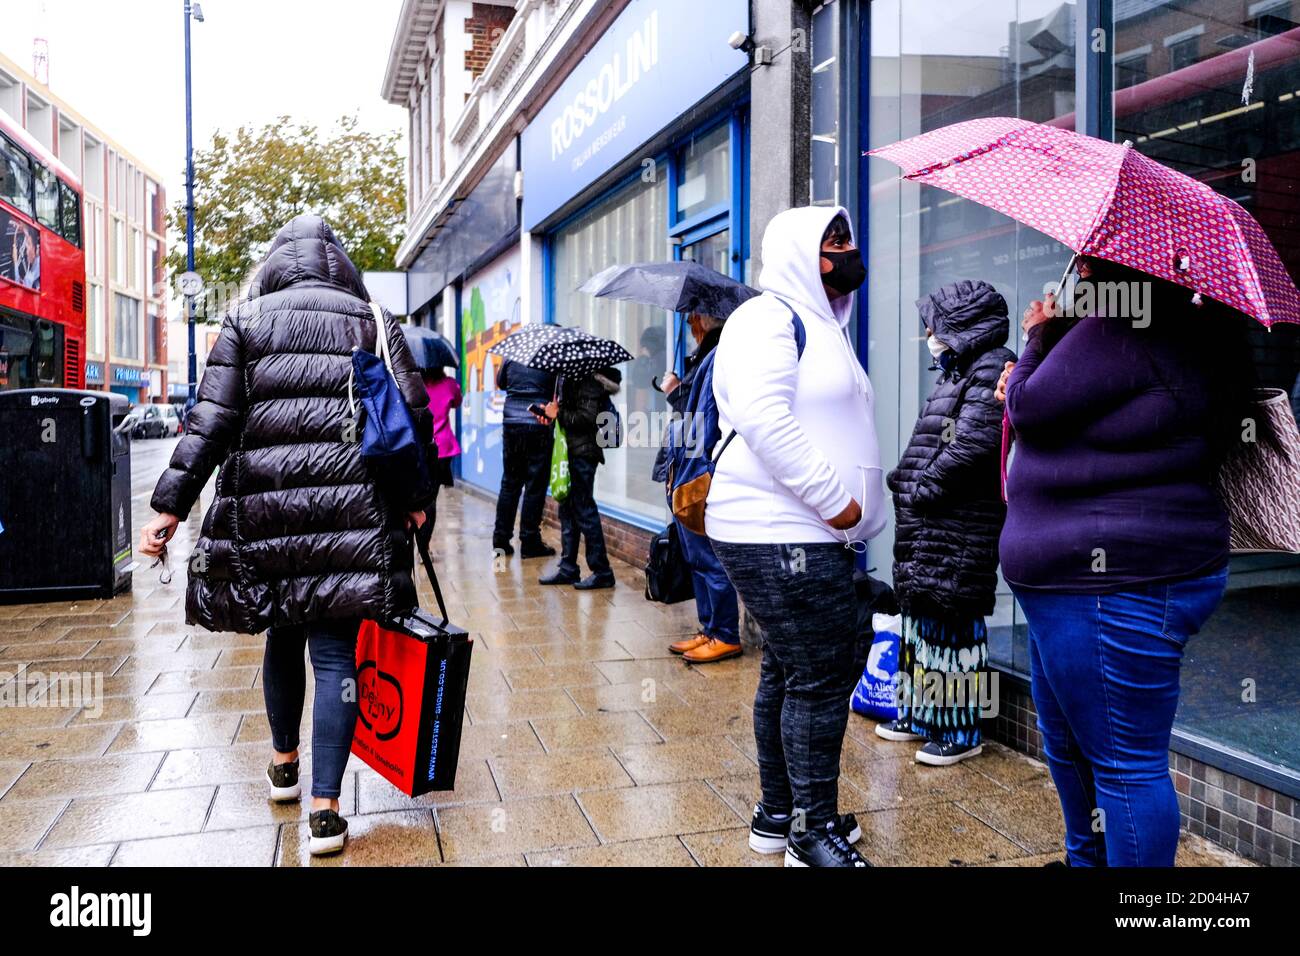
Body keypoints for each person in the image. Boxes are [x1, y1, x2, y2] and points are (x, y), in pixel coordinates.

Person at [138, 214, 432, 857]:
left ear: (274, 262)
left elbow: (210, 422)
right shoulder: (376, 321)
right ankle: (326, 810)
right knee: (335, 658)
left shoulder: (247, 320)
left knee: (281, 634)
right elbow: (412, 416)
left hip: (268, 517)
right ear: (341, 263)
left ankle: (283, 766)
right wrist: (416, 502)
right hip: (352, 515)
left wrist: (171, 507)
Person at [996, 256, 1259, 867]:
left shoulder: (1120, 328)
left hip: (1110, 588)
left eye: (1088, 266)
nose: (1079, 274)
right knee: (1069, 742)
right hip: (1081, 586)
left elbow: (1030, 405)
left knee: (1123, 763)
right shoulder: (1172, 327)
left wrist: (1039, 333)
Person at [707, 206, 885, 867]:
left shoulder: (821, 324)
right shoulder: (767, 316)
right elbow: (761, 416)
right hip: (780, 528)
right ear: (796, 253)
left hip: (801, 531)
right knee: (819, 674)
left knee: (790, 668)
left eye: (846, 238)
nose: (848, 250)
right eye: (832, 242)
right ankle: (811, 835)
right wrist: (838, 506)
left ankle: (781, 814)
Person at [878, 280, 1015, 765]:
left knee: (953, 620)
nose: (929, 335)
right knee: (921, 616)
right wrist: (906, 482)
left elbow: (973, 445)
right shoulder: (957, 372)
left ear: (961, 325)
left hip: (959, 519)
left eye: (935, 325)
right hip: (930, 519)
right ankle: (920, 713)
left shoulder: (995, 367)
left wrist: (921, 487)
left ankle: (961, 730)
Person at [655, 312, 742, 663]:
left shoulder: (718, 353)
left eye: (694, 317)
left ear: (708, 320)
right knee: (695, 556)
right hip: (688, 464)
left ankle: (724, 634)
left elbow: (703, 417)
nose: (690, 324)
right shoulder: (704, 354)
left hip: (698, 468)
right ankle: (709, 629)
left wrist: (676, 391)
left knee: (707, 557)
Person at [538, 365, 622, 590]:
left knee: (585, 511)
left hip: (583, 453)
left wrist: (559, 414)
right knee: (567, 510)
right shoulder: (569, 378)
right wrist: (550, 415)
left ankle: (602, 572)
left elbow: (586, 418)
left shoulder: (588, 381)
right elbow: (571, 414)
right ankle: (568, 568)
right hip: (571, 450)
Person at [492, 358, 557, 558]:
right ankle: (529, 541)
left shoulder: (511, 356)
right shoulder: (551, 357)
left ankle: (501, 541)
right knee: (535, 485)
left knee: (510, 483)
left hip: (512, 422)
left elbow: (501, 382)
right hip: (539, 423)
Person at [415, 365, 462, 555]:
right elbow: (457, 402)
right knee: (431, 499)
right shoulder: (450, 384)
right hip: (442, 448)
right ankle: (424, 546)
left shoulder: (413, 384)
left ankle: (416, 541)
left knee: (417, 497)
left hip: (418, 448)